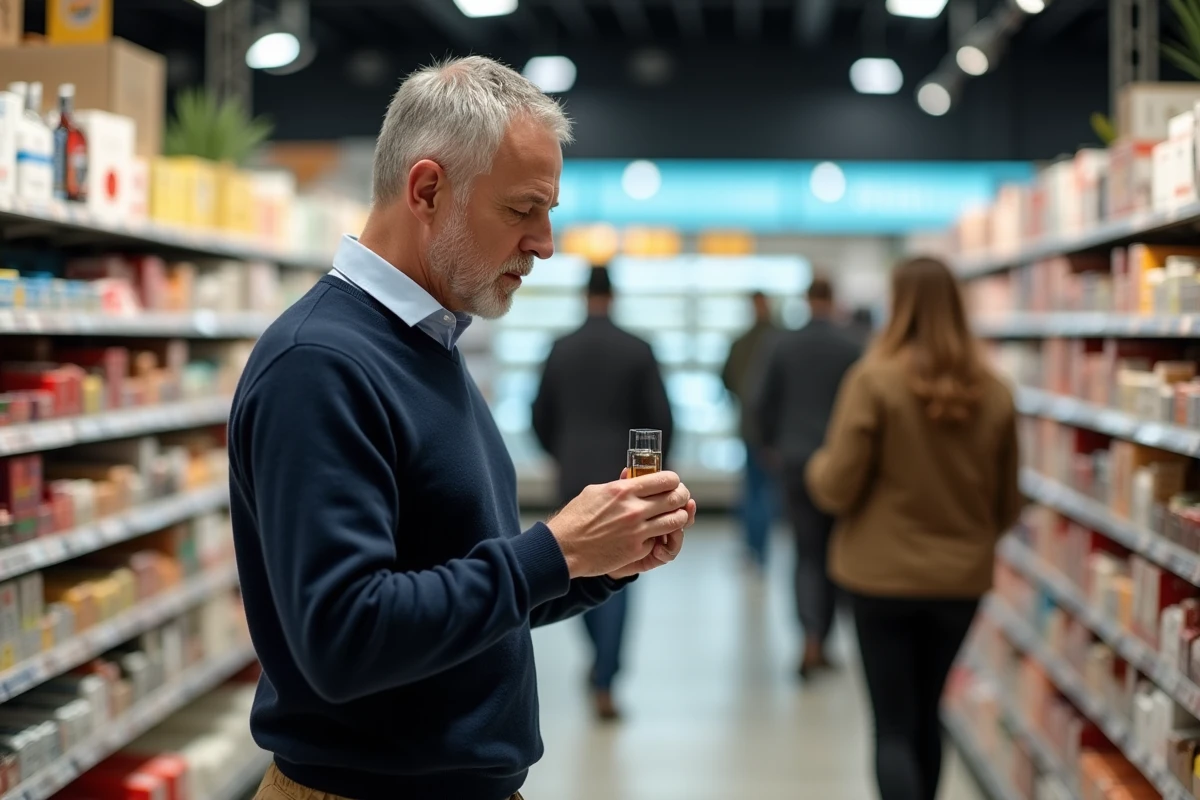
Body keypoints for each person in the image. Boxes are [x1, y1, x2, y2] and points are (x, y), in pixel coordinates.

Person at [228, 56, 697, 800]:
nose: (545, 242)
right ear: (427, 190)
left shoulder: (428, 344)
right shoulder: (318, 363)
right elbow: (345, 638)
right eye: (522, 209)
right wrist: (552, 552)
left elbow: (454, 586)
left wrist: (596, 561)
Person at [805, 257, 1022, 800]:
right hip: (959, 582)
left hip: (880, 579)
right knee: (930, 712)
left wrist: (814, 468)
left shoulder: (874, 381)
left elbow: (837, 486)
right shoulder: (994, 392)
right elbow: (1008, 504)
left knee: (893, 724)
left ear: (898, 307)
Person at [531, 265, 674, 722]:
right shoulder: (639, 350)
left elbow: (539, 415)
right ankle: (606, 676)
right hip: (623, 476)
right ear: (614, 295)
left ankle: (598, 662)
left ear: (583, 294)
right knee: (620, 572)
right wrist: (649, 478)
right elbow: (661, 419)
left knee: (577, 568)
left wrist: (561, 454)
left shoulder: (559, 349)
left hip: (573, 476)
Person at [754, 276, 860, 679]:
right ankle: (825, 637)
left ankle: (810, 637)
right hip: (839, 464)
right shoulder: (852, 347)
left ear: (806, 299)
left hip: (794, 462)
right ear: (833, 300)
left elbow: (761, 402)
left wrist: (770, 445)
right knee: (834, 550)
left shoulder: (782, 345)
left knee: (806, 551)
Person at [721, 291, 779, 569]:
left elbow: (726, 379)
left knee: (753, 491)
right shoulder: (780, 340)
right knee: (765, 492)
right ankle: (760, 550)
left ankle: (754, 550)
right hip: (775, 432)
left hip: (751, 428)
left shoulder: (742, 343)